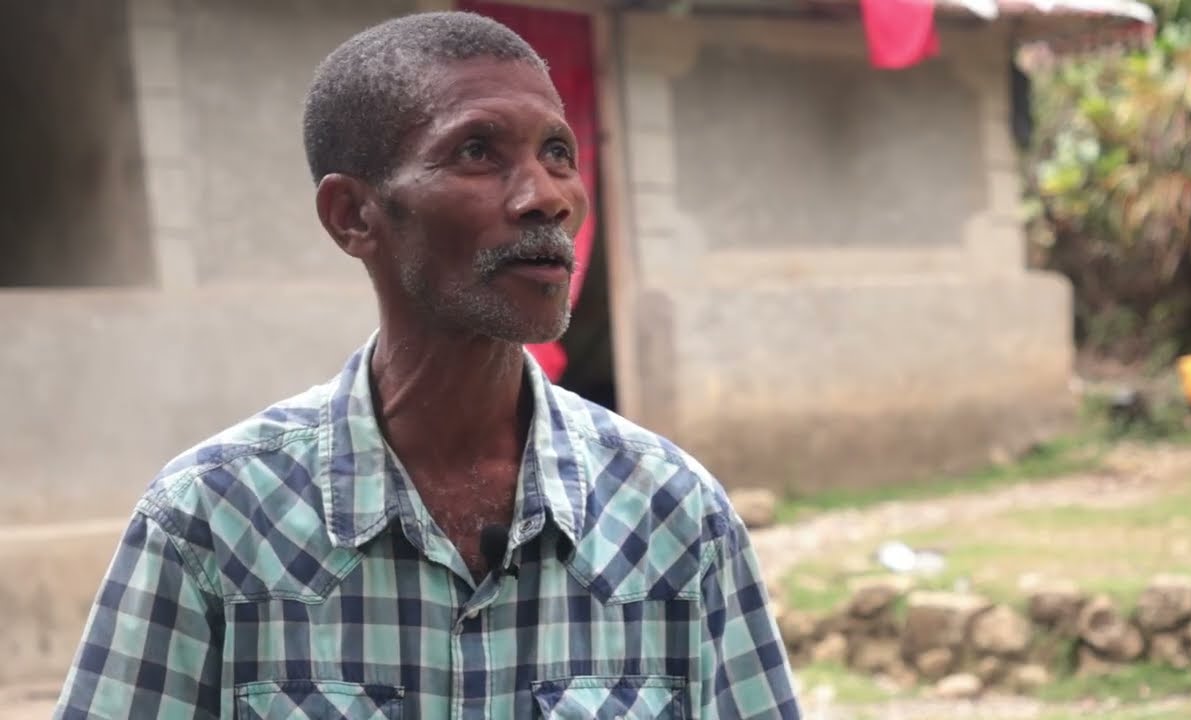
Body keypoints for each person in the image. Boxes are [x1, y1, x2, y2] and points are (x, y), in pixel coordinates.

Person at [55, 11, 798, 719]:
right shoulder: (212, 523)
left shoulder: (674, 515)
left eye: (559, 153)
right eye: (477, 151)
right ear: (353, 215)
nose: (547, 198)